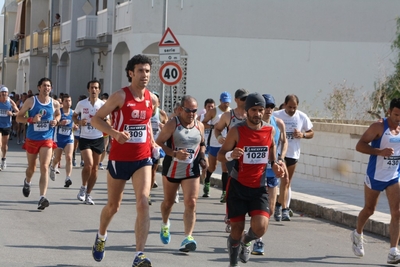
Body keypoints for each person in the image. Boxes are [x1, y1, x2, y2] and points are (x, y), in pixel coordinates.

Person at [90, 54, 155, 267]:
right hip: (119, 159)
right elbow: (96, 119)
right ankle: (101, 237)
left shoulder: (152, 99)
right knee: (113, 205)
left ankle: (139, 254)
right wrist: (114, 133)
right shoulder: (120, 96)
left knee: (143, 202)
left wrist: (153, 143)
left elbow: (146, 124)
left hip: (142, 158)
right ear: (131, 73)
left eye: (147, 71)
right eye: (140, 71)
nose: (144, 75)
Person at [217, 93, 285, 266]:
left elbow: (272, 147)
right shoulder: (237, 131)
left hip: (258, 187)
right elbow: (220, 155)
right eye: (254, 110)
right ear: (247, 111)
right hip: (238, 186)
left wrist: (275, 163)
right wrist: (232, 154)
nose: (258, 114)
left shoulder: (270, 129)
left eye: (261, 110)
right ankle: (233, 262)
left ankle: (246, 241)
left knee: (261, 227)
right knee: (236, 230)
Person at [350, 98, 400, 264]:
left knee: (397, 212)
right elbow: (360, 145)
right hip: (375, 176)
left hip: (393, 176)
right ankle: (357, 234)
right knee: (370, 209)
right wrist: (380, 151)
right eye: (396, 114)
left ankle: (393, 251)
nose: (398, 118)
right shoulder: (378, 126)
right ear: (389, 112)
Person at [156, 95, 207, 252]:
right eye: (188, 110)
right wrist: (174, 153)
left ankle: (188, 237)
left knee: (191, 202)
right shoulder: (173, 124)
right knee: (168, 203)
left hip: (191, 169)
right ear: (180, 110)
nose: (191, 114)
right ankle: (165, 224)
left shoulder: (199, 126)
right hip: (172, 168)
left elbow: (202, 143)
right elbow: (158, 142)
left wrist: (203, 157)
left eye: (194, 111)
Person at [252, 93, 288, 255]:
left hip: (272, 171)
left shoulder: (278, 123)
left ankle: (253, 235)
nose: (268, 110)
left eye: (271, 107)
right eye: (266, 107)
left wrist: (280, 158)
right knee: (257, 209)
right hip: (256, 172)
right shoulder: (252, 125)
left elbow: (284, 141)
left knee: (270, 210)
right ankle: (258, 240)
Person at [17, 78, 60, 210]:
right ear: (39, 88)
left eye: (48, 86)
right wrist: (31, 119)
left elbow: (58, 115)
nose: (46, 88)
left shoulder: (55, 103)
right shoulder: (31, 101)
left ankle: (42, 197)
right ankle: (27, 181)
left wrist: (56, 121)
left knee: (44, 167)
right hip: (32, 139)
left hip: (47, 139)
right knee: (32, 168)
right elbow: (19, 117)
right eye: (44, 86)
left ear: (51, 89)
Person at [273, 94, 314, 221]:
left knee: (286, 182)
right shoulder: (277, 115)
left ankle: (279, 206)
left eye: (294, 107)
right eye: (290, 107)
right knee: (280, 181)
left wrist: (303, 135)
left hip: (293, 154)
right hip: (278, 153)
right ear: (284, 105)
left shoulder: (302, 116)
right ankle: (283, 208)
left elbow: (311, 133)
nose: (292, 110)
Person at [73, 80, 107, 205]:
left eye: (96, 88)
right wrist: (79, 122)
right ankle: (82, 187)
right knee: (89, 165)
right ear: (88, 90)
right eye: (92, 87)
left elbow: (108, 120)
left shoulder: (103, 104)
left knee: (95, 169)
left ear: (99, 90)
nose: (94, 90)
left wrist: (105, 124)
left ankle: (88, 194)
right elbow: (74, 116)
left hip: (98, 138)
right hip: (85, 138)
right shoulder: (81, 104)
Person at [212, 89, 248, 199]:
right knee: (234, 178)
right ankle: (230, 203)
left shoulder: (251, 114)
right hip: (232, 152)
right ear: (236, 100)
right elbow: (217, 129)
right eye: (243, 98)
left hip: (247, 153)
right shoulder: (228, 115)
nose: (245, 101)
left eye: (247, 98)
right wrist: (219, 138)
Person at [202, 91, 231, 202]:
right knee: (212, 167)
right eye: (224, 102)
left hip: (226, 143)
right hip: (214, 143)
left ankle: (224, 193)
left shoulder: (231, 112)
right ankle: (207, 181)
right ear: (220, 101)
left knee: (225, 168)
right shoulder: (214, 111)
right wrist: (212, 126)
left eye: (228, 102)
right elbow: (203, 123)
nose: (226, 105)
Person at [50, 94, 76, 188]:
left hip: (69, 137)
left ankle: (68, 177)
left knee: (69, 157)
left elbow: (74, 123)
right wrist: (60, 123)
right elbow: (53, 123)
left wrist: (75, 126)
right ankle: (53, 167)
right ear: (63, 102)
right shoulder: (59, 112)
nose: (68, 103)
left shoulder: (73, 113)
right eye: (66, 101)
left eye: (69, 101)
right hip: (59, 138)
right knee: (58, 158)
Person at [150, 91, 168, 191]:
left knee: (153, 170)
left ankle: (148, 192)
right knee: (146, 169)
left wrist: (163, 127)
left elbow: (168, 128)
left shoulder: (161, 113)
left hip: (156, 146)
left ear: (158, 103)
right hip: (146, 145)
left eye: (154, 102)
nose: (152, 104)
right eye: (150, 101)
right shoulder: (144, 112)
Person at [0, 86, 19, 170]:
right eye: (2, 92)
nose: (4, 94)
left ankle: (4, 159)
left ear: (7, 94)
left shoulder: (10, 102)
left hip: (7, 125)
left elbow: (18, 112)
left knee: (4, 145)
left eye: (5, 93)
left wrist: (12, 114)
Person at [197, 98, 215, 185]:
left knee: (211, 167)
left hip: (213, 145)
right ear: (205, 107)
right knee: (206, 166)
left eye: (212, 107)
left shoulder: (217, 118)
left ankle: (205, 181)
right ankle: (205, 184)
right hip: (203, 145)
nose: (210, 108)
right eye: (208, 107)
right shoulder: (201, 118)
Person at [72, 94, 87, 167]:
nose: (78, 101)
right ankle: (73, 159)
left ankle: (82, 160)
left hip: (84, 130)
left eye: (80, 100)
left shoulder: (86, 109)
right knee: (75, 146)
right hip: (77, 130)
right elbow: (73, 118)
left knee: (82, 146)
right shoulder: (77, 109)